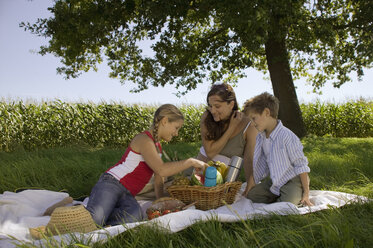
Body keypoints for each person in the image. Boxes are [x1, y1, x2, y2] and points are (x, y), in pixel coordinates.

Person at [85, 104, 207, 226]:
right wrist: (191, 161)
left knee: (134, 217)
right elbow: (162, 169)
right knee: (95, 219)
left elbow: (159, 176)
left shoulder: (157, 146)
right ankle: (87, 212)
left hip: (127, 194)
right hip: (112, 183)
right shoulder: (144, 139)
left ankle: (102, 216)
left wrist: (160, 201)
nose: (176, 133)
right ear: (164, 121)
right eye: (176, 128)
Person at [242, 92, 313, 206]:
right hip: (275, 180)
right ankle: (279, 196)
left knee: (287, 204)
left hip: (291, 181)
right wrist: (251, 185)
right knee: (253, 195)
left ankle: (290, 196)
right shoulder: (261, 137)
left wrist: (306, 194)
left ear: (266, 112)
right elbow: (260, 163)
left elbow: (301, 165)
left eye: (254, 118)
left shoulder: (287, 136)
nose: (252, 124)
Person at [195, 83, 258, 190]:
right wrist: (231, 128)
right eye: (210, 106)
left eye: (217, 106)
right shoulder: (207, 117)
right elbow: (210, 153)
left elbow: (249, 160)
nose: (213, 111)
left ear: (231, 104)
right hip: (197, 177)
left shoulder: (249, 125)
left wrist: (250, 186)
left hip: (225, 184)